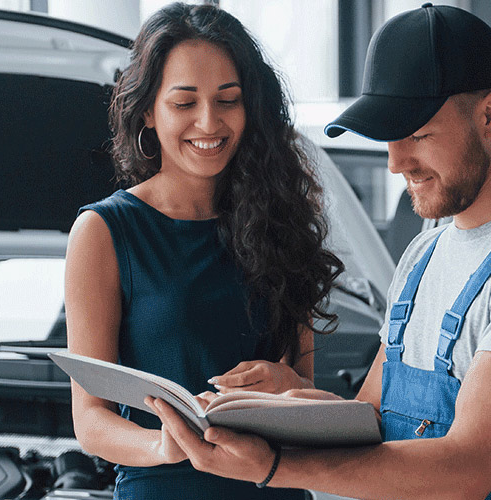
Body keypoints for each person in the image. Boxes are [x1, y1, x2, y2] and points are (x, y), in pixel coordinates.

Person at [149, 4, 491, 499]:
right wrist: (288, 397)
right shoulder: (425, 254)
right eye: (389, 137)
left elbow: (466, 470)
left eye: (417, 134)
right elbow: (373, 421)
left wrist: (274, 465)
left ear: (490, 115)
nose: (396, 162)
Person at [63, 3, 342, 499]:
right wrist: (163, 445)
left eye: (228, 100)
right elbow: (90, 420)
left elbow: (306, 390)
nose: (209, 122)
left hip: (275, 485)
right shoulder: (103, 231)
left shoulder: (281, 223)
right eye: (184, 103)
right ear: (148, 111)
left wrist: (285, 383)